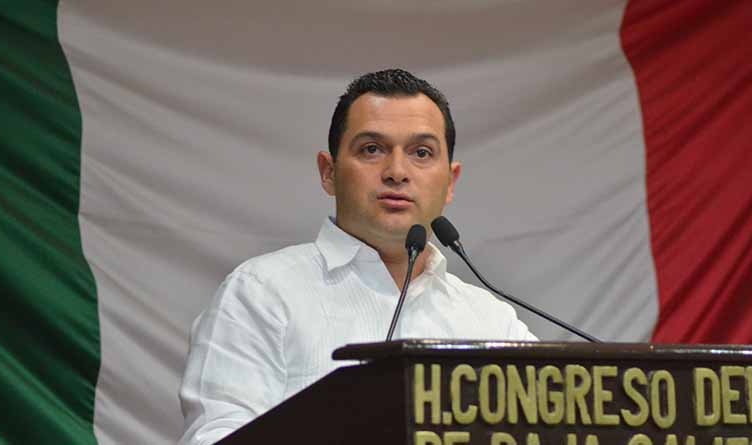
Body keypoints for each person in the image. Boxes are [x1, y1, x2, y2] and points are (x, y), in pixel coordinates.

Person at [178, 69, 538, 445]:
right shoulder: (260, 294)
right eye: (372, 149)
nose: (397, 172)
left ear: (450, 181)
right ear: (329, 172)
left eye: (421, 153)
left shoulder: (495, 323)